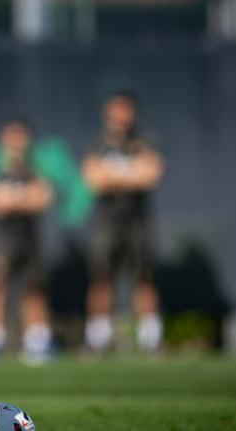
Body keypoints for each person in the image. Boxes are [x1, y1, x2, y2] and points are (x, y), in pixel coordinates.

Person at [81, 91, 165, 353]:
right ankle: (97, 340)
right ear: (108, 114)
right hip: (107, 223)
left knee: (144, 277)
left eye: (126, 112)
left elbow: (151, 175)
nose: (121, 118)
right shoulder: (97, 143)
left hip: (137, 222)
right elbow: (93, 179)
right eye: (116, 112)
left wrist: (114, 176)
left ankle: (151, 339)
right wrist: (130, 174)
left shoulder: (144, 142)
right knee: (101, 277)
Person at [0, 119, 55, 363]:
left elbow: (42, 199)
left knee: (33, 287)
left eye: (21, 136)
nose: (17, 142)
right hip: (4, 238)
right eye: (12, 136)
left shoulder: (35, 168)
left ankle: (38, 342)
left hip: (30, 237)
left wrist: (14, 199)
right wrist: (22, 199)